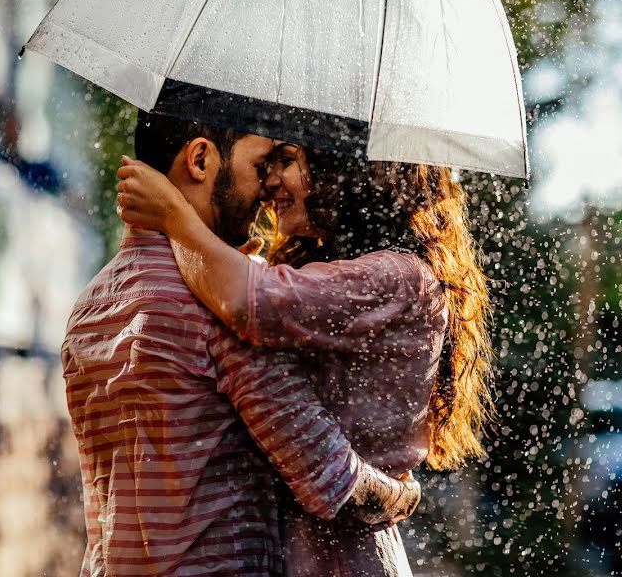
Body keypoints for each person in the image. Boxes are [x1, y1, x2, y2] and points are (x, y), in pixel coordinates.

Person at [62, 112, 421, 577]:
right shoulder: (220, 313)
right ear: (199, 160)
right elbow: (332, 483)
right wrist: (401, 496)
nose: (269, 191)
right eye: (260, 166)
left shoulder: (89, 307)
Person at [116, 140, 495, 576]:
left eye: (289, 161)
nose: (270, 180)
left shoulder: (398, 277)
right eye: (270, 163)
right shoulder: (356, 272)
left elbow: (248, 301)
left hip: (337, 557)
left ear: (348, 168)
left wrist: (173, 215)